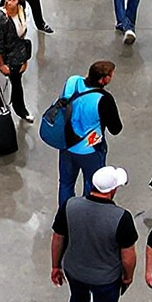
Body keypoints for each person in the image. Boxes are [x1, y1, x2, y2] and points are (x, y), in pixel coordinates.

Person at [51, 165, 139, 302]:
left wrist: (55, 266)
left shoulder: (70, 206)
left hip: (75, 271)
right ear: (112, 191)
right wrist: (127, 277)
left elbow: (58, 238)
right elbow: (128, 257)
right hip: (106, 280)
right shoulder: (121, 218)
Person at [53, 61, 123, 206]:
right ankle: (86, 212)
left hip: (66, 145)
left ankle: (65, 216)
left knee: (66, 183)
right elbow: (116, 129)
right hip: (90, 150)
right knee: (91, 186)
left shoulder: (73, 82)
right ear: (103, 79)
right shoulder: (104, 99)